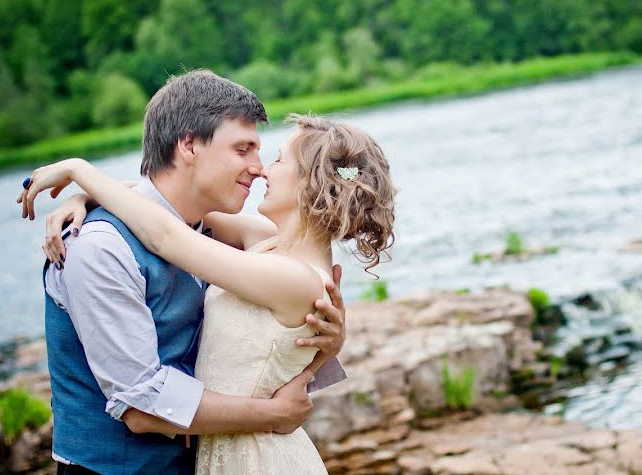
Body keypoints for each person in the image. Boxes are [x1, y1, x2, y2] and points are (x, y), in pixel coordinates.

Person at [21, 109, 396, 474]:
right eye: (246, 151)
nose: (263, 168)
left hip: (256, 458)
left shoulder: (294, 279)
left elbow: (168, 235)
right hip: (219, 448)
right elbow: (167, 202)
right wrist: (85, 197)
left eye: (279, 160)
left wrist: (79, 171)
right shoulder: (267, 242)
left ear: (310, 183)